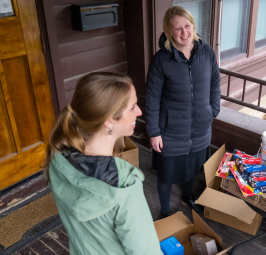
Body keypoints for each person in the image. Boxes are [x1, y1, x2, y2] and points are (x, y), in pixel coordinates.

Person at [45, 72, 163, 255]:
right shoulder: (125, 184)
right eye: (132, 107)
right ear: (109, 120)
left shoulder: (58, 157)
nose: (139, 112)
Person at [145, 6, 221, 218]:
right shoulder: (161, 60)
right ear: (169, 32)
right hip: (170, 130)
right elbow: (151, 97)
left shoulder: (206, 52)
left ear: (193, 25)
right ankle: (165, 212)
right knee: (166, 174)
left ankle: (187, 196)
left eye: (187, 26)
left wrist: (213, 109)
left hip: (200, 127)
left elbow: (215, 82)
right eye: (177, 28)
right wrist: (153, 132)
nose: (184, 32)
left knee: (191, 167)